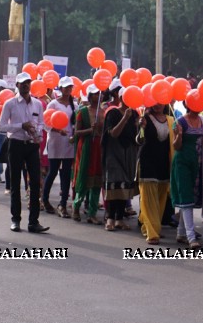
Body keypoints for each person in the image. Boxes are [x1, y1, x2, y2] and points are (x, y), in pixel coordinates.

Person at [0, 72, 49, 233]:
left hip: (32, 144)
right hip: (16, 143)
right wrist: (21, 125)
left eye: (28, 82)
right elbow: (1, 126)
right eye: (22, 83)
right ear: (17, 85)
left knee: (34, 183)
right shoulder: (10, 104)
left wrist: (37, 132)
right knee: (15, 183)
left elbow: (41, 122)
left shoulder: (37, 104)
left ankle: (33, 221)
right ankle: (16, 219)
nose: (25, 85)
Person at [102, 83, 139, 231]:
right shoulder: (113, 113)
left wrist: (140, 127)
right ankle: (110, 218)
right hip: (114, 152)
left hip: (129, 152)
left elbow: (137, 138)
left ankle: (119, 218)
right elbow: (113, 133)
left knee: (126, 185)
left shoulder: (136, 114)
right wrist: (125, 118)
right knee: (114, 184)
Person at [137, 99, 174, 244]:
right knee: (147, 198)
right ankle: (152, 233)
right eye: (155, 101)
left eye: (161, 101)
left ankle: (152, 226)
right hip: (147, 162)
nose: (158, 105)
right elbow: (139, 140)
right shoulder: (144, 119)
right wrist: (142, 128)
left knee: (160, 198)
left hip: (164, 163)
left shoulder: (171, 120)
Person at [171, 100, 203, 248]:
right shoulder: (180, 122)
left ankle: (181, 232)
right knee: (186, 198)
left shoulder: (202, 121)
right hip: (182, 162)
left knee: (189, 197)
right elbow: (176, 146)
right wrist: (179, 134)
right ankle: (191, 237)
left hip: (195, 162)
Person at [43, 78, 76, 218]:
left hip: (69, 142)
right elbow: (46, 123)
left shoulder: (75, 105)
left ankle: (63, 204)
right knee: (53, 171)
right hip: (56, 142)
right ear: (60, 88)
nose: (68, 89)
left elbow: (75, 123)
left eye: (70, 87)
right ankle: (44, 199)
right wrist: (57, 130)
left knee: (66, 173)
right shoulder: (53, 104)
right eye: (65, 87)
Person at [71, 85, 104, 224]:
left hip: (99, 148)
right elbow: (77, 133)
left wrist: (100, 130)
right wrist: (91, 130)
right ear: (90, 96)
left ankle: (92, 212)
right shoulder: (82, 112)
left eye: (99, 94)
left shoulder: (104, 112)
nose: (98, 96)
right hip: (85, 148)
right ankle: (76, 207)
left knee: (97, 181)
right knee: (84, 177)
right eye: (95, 94)